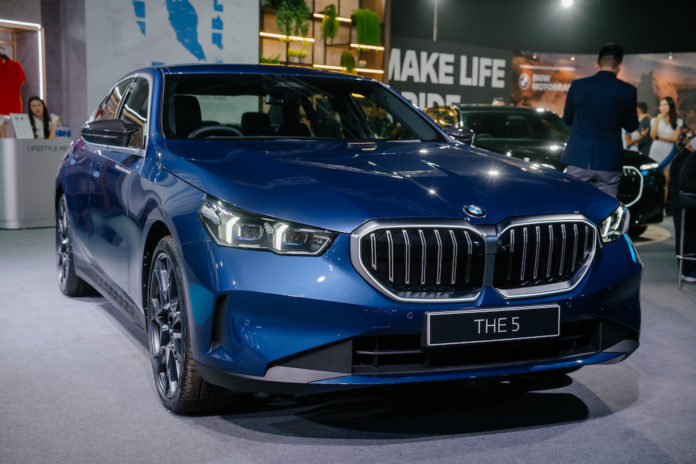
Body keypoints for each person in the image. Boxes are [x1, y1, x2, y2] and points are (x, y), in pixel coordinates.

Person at [561, 43, 639, 197]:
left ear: (597, 64)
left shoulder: (578, 86)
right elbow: (631, 126)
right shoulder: (628, 91)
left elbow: (567, 120)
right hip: (608, 162)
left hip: (578, 159)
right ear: (620, 66)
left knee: (575, 208)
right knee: (605, 212)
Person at [670, 136, 696, 282]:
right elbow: (686, 177)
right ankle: (688, 269)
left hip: (685, 172)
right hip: (684, 175)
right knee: (685, 225)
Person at [649, 96, 682, 167]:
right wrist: (658, 120)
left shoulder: (678, 121)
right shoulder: (654, 120)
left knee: (667, 172)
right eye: (661, 105)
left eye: (665, 105)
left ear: (670, 106)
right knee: (654, 172)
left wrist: (658, 137)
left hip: (668, 150)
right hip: (655, 149)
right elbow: (652, 136)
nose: (662, 107)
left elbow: (674, 139)